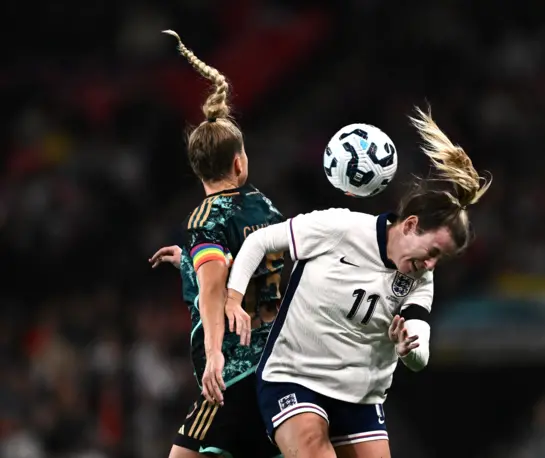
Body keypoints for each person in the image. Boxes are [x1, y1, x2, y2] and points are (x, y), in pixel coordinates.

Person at [222, 107, 492, 458]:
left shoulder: (421, 279)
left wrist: (410, 348)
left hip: (361, 397)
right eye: (432, 251)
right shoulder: (340, 228)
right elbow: (259, 243)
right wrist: (233, 297)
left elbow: (420, 348)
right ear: (410, 225)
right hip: (294, 376)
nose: (431, 264)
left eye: (441, 259)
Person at [149, 29, 284, 458]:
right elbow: (247, 264)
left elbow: (215, 287)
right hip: (276, 363)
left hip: (235, 371)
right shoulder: (264, 206)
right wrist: (189, 264)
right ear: (240, 162)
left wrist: (213, 357)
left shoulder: (205, 219)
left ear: (196, 169)